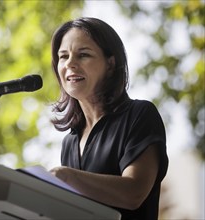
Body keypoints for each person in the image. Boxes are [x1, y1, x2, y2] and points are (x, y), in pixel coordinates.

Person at [49, 17, 169, 220]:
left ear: (111, 64)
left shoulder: (140, 115)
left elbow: (134, 193)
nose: (70, 63)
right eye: (63, 56)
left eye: (83, 55)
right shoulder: (70, 142)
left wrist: (66, 176)